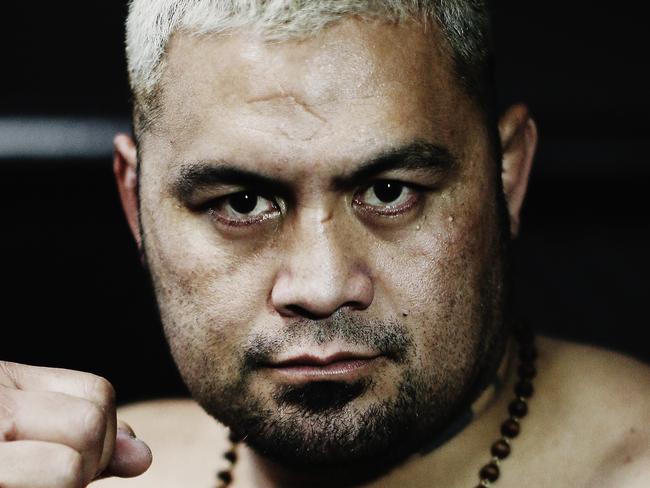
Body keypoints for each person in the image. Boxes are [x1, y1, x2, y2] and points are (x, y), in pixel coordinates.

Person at [1, 1, 649, 487]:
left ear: (505, 177)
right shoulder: (89, 477)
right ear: (134, 202)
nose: (320, 285)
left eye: (391, 191)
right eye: (243, 203)